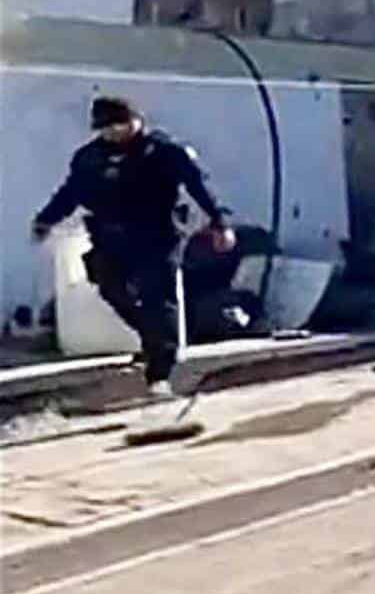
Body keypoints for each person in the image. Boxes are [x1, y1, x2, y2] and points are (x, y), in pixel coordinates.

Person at [30, 97, 236, 396]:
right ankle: (153, 341)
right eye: (106, 128)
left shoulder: (165, 152)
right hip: (110, 237)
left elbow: (199, 187)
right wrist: (45, 220)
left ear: (136, 120)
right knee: (109, 287)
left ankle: (160, 373)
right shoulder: (89, 158)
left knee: (156, 296)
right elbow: (70, 193)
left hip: (157, 235)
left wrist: (220, 223)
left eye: (119, 124)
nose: (113, 132)